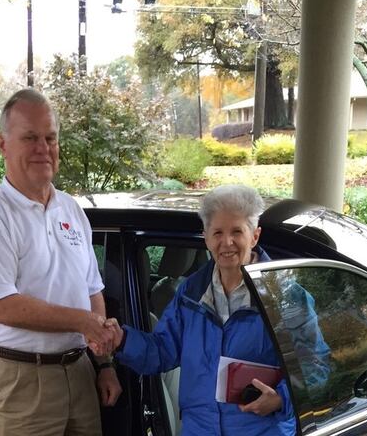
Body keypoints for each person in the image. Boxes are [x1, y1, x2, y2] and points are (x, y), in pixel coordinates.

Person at [106, 184, 329, 436]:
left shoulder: (285, 296)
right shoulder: (191, 293)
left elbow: (315, 366)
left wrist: (280, 399)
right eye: (218, 232)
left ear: (254, 235)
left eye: (237, 231)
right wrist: (122, 341)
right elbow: (162, 352)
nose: (227, 242)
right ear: (206, 236)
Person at [0, 88, 122, 436]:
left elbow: (91, 288)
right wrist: (83, 323)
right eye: (30, 138)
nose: (43, 148)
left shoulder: (72, 209)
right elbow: (2, 306)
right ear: (3, 144)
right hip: (22, 379)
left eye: (50, 137)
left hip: (79, 373)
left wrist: (104, 360)